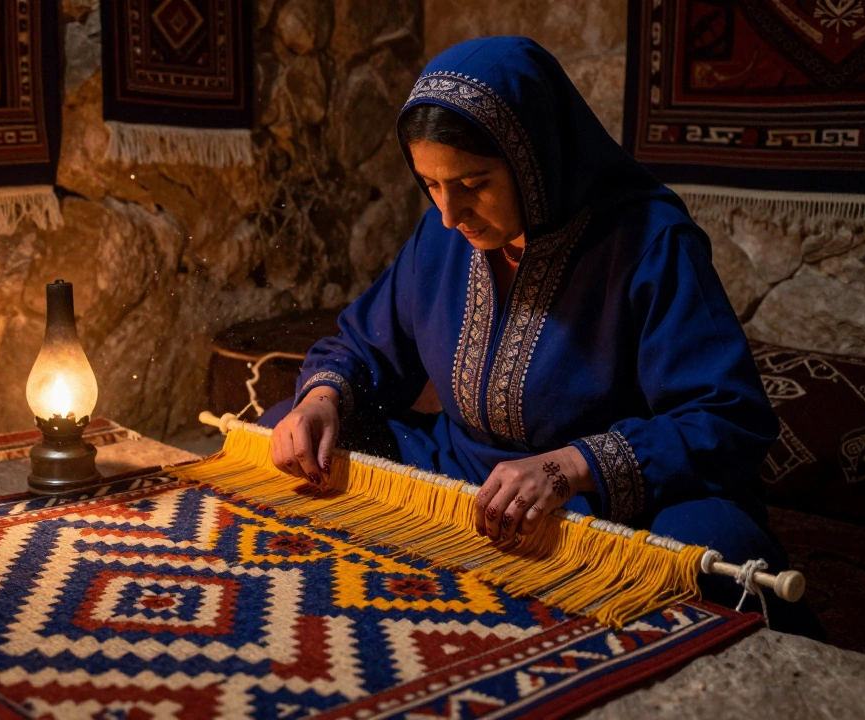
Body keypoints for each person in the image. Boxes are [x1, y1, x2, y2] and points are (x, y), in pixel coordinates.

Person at [260, 37, 822, 637]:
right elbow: (364, 345)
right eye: (431, 184)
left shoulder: (651, 244)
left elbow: (727, 417)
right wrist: (321, 400)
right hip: (464, 477)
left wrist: (571, 466)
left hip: (603, 501)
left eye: (472, 183)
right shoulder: (441, 236)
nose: (449, 213)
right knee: (290, 431)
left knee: (708, 550)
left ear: (535, 160)